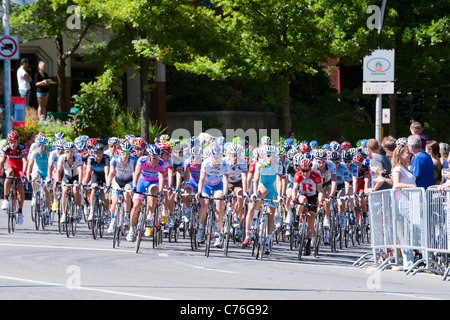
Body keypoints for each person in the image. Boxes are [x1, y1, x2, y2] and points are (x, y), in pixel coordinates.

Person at [195, 144, 230, 248]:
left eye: (219, 157)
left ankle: (217, 229)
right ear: (212, 156)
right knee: (204, 205)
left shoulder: (225, 164)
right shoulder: (206, 163)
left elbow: (225, 179)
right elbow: (201, 178)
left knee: (219, 201)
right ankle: (200, 229)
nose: (217, 159)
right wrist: (199, 192)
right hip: (206, 186)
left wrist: (225, 194)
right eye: (215, 157)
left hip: (218, 186)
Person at [0, 130, 28, 224]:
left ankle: (20, 212)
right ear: (8, 141)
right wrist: (1, 173)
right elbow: (1, 161)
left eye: (15, 142)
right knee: (9, 175)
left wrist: (23, 173)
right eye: (11, 142)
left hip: (20, 167)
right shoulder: (6, 147)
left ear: (18, 141)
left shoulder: (22, 147)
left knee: (20, 189)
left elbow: (25, 161)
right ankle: (5, 198)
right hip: (10, 165)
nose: (13, 144)